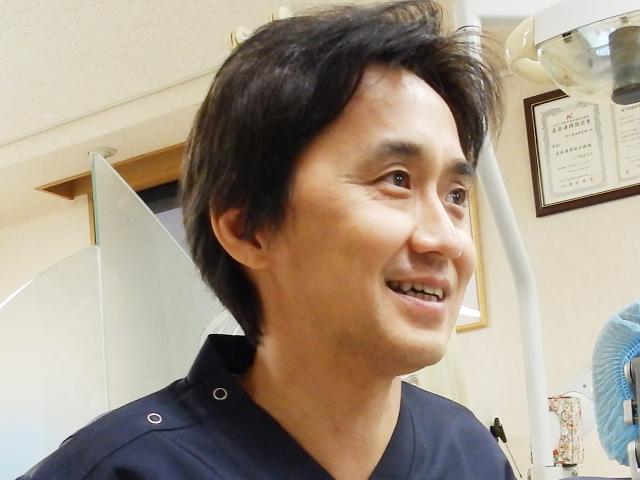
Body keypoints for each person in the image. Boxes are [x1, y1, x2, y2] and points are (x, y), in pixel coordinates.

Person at [20, 1, 513, 478]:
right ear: (248, 230)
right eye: (397, 179)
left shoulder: (468, 452)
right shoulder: (119, 469)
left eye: (455, 195)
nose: (447, 241)